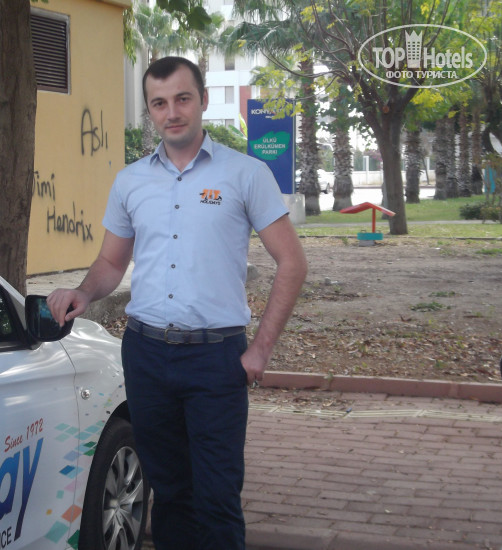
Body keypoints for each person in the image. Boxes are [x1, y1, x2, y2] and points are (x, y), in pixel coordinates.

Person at [47, 56, 307, 550]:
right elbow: (110, 262)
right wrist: (83, 291)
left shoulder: (244, 174)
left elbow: (292, 263)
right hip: (146, 355)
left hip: (215, 359)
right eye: (159, 103)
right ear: (150, 110)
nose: (172, 112)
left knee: (217, 498)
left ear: (203, 101)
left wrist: (261, 349)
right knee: (168, 495)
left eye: (183, 99)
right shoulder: (131, 181)